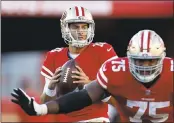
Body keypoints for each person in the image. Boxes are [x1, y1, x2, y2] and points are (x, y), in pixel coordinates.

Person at [12, 29, 173, 122]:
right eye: (139, 61)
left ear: (162, 58)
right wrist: (41, 109)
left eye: (150, 61)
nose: (145, 67)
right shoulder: (115, 70)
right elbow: (81, 97)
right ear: (128, 58)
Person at [40, 6, 118, 122]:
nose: (81, 31)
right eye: (76, 27)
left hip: (96, 119)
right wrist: (50, 88)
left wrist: (91, 86)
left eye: (84, 27)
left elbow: (119, 101)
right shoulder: (54, 56)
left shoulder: (103, 51)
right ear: (66, 29)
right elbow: (45, 103)